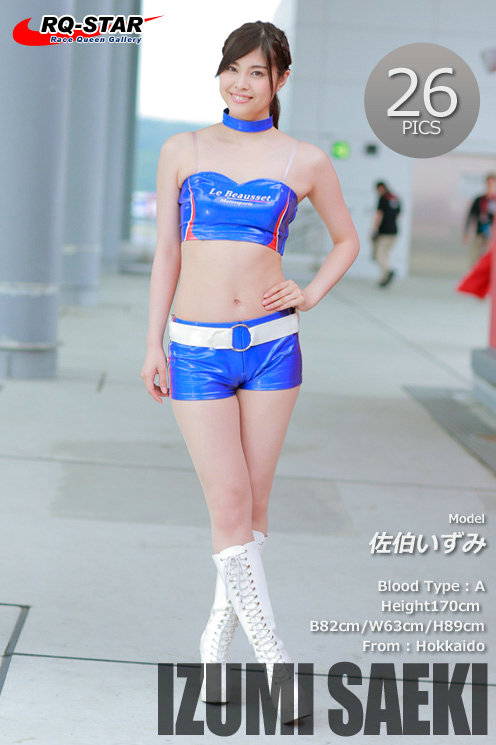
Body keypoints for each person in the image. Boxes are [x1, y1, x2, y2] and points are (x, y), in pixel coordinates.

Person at [140, 20, 359, 723]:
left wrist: (309, 293)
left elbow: (347, 240)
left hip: (272, 347)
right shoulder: (183, 149)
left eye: (257, 71)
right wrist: (154, 344)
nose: (241, 82)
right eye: (232, 68)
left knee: (252, 511)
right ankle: (275, 660)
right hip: (196, 349)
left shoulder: (305, 159)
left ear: (280, 79)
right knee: (229, 502)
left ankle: (214, 642)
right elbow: (167, 253)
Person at [371, 181, 401, 287]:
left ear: (381, 188)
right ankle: (384, 277)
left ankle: (388, 272)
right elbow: (398, 215)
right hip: (394, 231)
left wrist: (375, 230)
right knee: (385, 254)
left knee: (379, 255)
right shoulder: (395, 198)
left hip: (384, 232)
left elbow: (379, 215)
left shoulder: (383, 198)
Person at [463, 173, 496, 269]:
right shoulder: (479, 200)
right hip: (479, 232)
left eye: (492, 183)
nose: (490, 186)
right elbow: (471, 216)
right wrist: (466, 232)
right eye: (489, 183)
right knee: (475, 257)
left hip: (492, 236)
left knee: (490, 258)